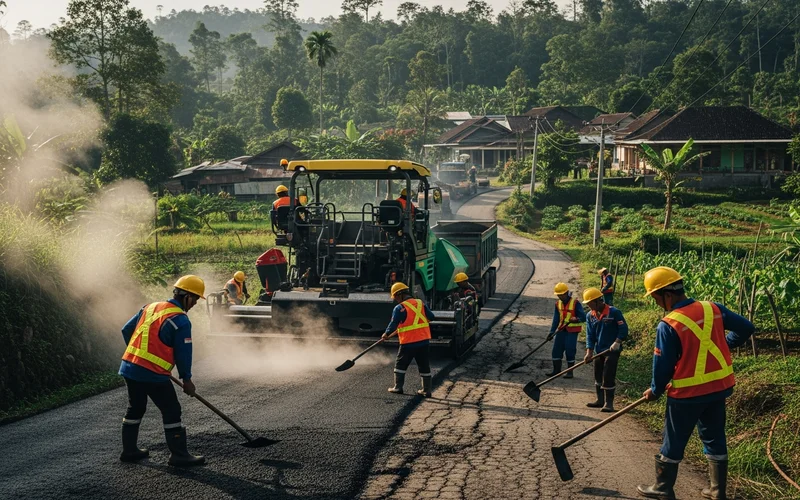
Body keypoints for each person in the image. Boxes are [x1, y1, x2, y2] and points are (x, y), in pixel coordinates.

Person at [637, 267, 755, 500]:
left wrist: (656, 390)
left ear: (666, 295)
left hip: (687, 395)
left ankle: (663, 488)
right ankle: (717, 489)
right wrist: (725, 344)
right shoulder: (713, 308)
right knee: (714, 436)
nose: (656, 303)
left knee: (674, 440)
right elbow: (746, 328)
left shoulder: (668, 324)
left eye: (655, 298)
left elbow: (662, 367)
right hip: (718, 388)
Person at [119, 275, 207, 467]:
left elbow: (126, 330)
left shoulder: (149, 307)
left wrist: (139, 357)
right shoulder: (180, 320)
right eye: (195, 300)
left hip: (129, 367)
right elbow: (184, 354)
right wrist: (187, 380)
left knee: (136, 407)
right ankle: (179, 455)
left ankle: (129, 451)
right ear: (187, 297)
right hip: (152, 373)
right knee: (171, 409)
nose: (194, 304)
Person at [383, 282, 435, 397]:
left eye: (395, 297)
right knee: (424, 365)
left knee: (400, 364)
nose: (395, 299)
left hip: (408, 342)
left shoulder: (399, 308)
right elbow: (431, 317)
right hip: (423, 341)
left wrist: (386, 334)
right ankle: (426, 390)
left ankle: (398, 387)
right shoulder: (420, 303)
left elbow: (393, 323)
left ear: (399, 294)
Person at [582, 287, 628, 413]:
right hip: (599, 350)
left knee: (608, 374)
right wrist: (589, 352)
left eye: (590, 303)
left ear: (598, 301)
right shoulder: (590, 316)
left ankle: (609, 403)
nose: (589, 306)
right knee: (598, 374)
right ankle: (600, 400)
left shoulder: (614, 312)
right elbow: (590, 335)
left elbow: (623, 329)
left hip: (612, 350)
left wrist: (617, 342)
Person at [547, 283, 586, 378]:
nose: (560, 297)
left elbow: (583, 317)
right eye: (558, 295)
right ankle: (556, 370)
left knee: (570, 350)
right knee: (556, 350)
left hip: (572, 331)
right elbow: (556, 319)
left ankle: (570, 372)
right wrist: (551, 332)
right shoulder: (557, 304)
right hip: (561, 330)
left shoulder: (576, 303)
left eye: (562, 295)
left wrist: (576, 319)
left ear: (567, 293)